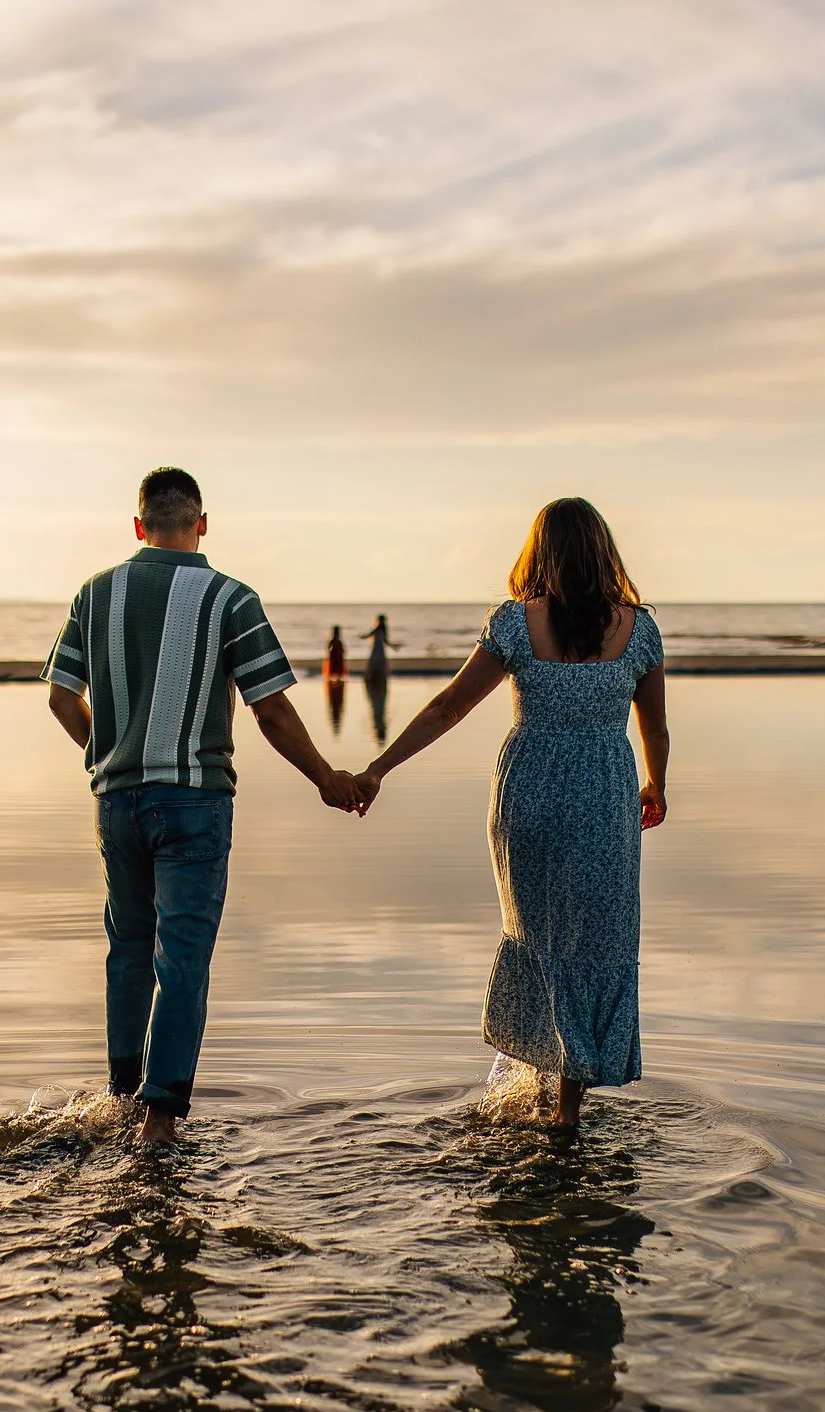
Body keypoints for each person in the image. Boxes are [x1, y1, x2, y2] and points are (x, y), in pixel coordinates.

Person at [45, 468, 362, 1146]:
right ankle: (159, 1120)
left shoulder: (94, 594)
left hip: (116, 802)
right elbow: (271, 708)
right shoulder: (229, 597)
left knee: (127, 949)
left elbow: (59, 697)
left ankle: (119, 1097)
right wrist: (325, 777)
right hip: (192, 802)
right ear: (203, 522)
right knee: (181, 959)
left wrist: (107, 749)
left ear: (138, 525)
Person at [353, 498, 668, 1134]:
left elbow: (448, 708)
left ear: (539, 553)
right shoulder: (640, 630)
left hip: (529, 795)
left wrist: (377, 768)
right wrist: (656, 782)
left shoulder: (515, 625)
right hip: (605, 797)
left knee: (537, 935)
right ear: (604, 550)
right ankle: (566, 1105)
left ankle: (538, 1080)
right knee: (595, 941)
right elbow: (654, 723)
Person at [362, 614, 394, 683]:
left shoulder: (380, 629)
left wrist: (393, 646)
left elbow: (385, 641)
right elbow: (370, 635)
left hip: (379, 648)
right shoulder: (381, 629)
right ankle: (374, 677)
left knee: (376, 661)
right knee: (376, 661)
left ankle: (376, 677)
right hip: (378, 647)